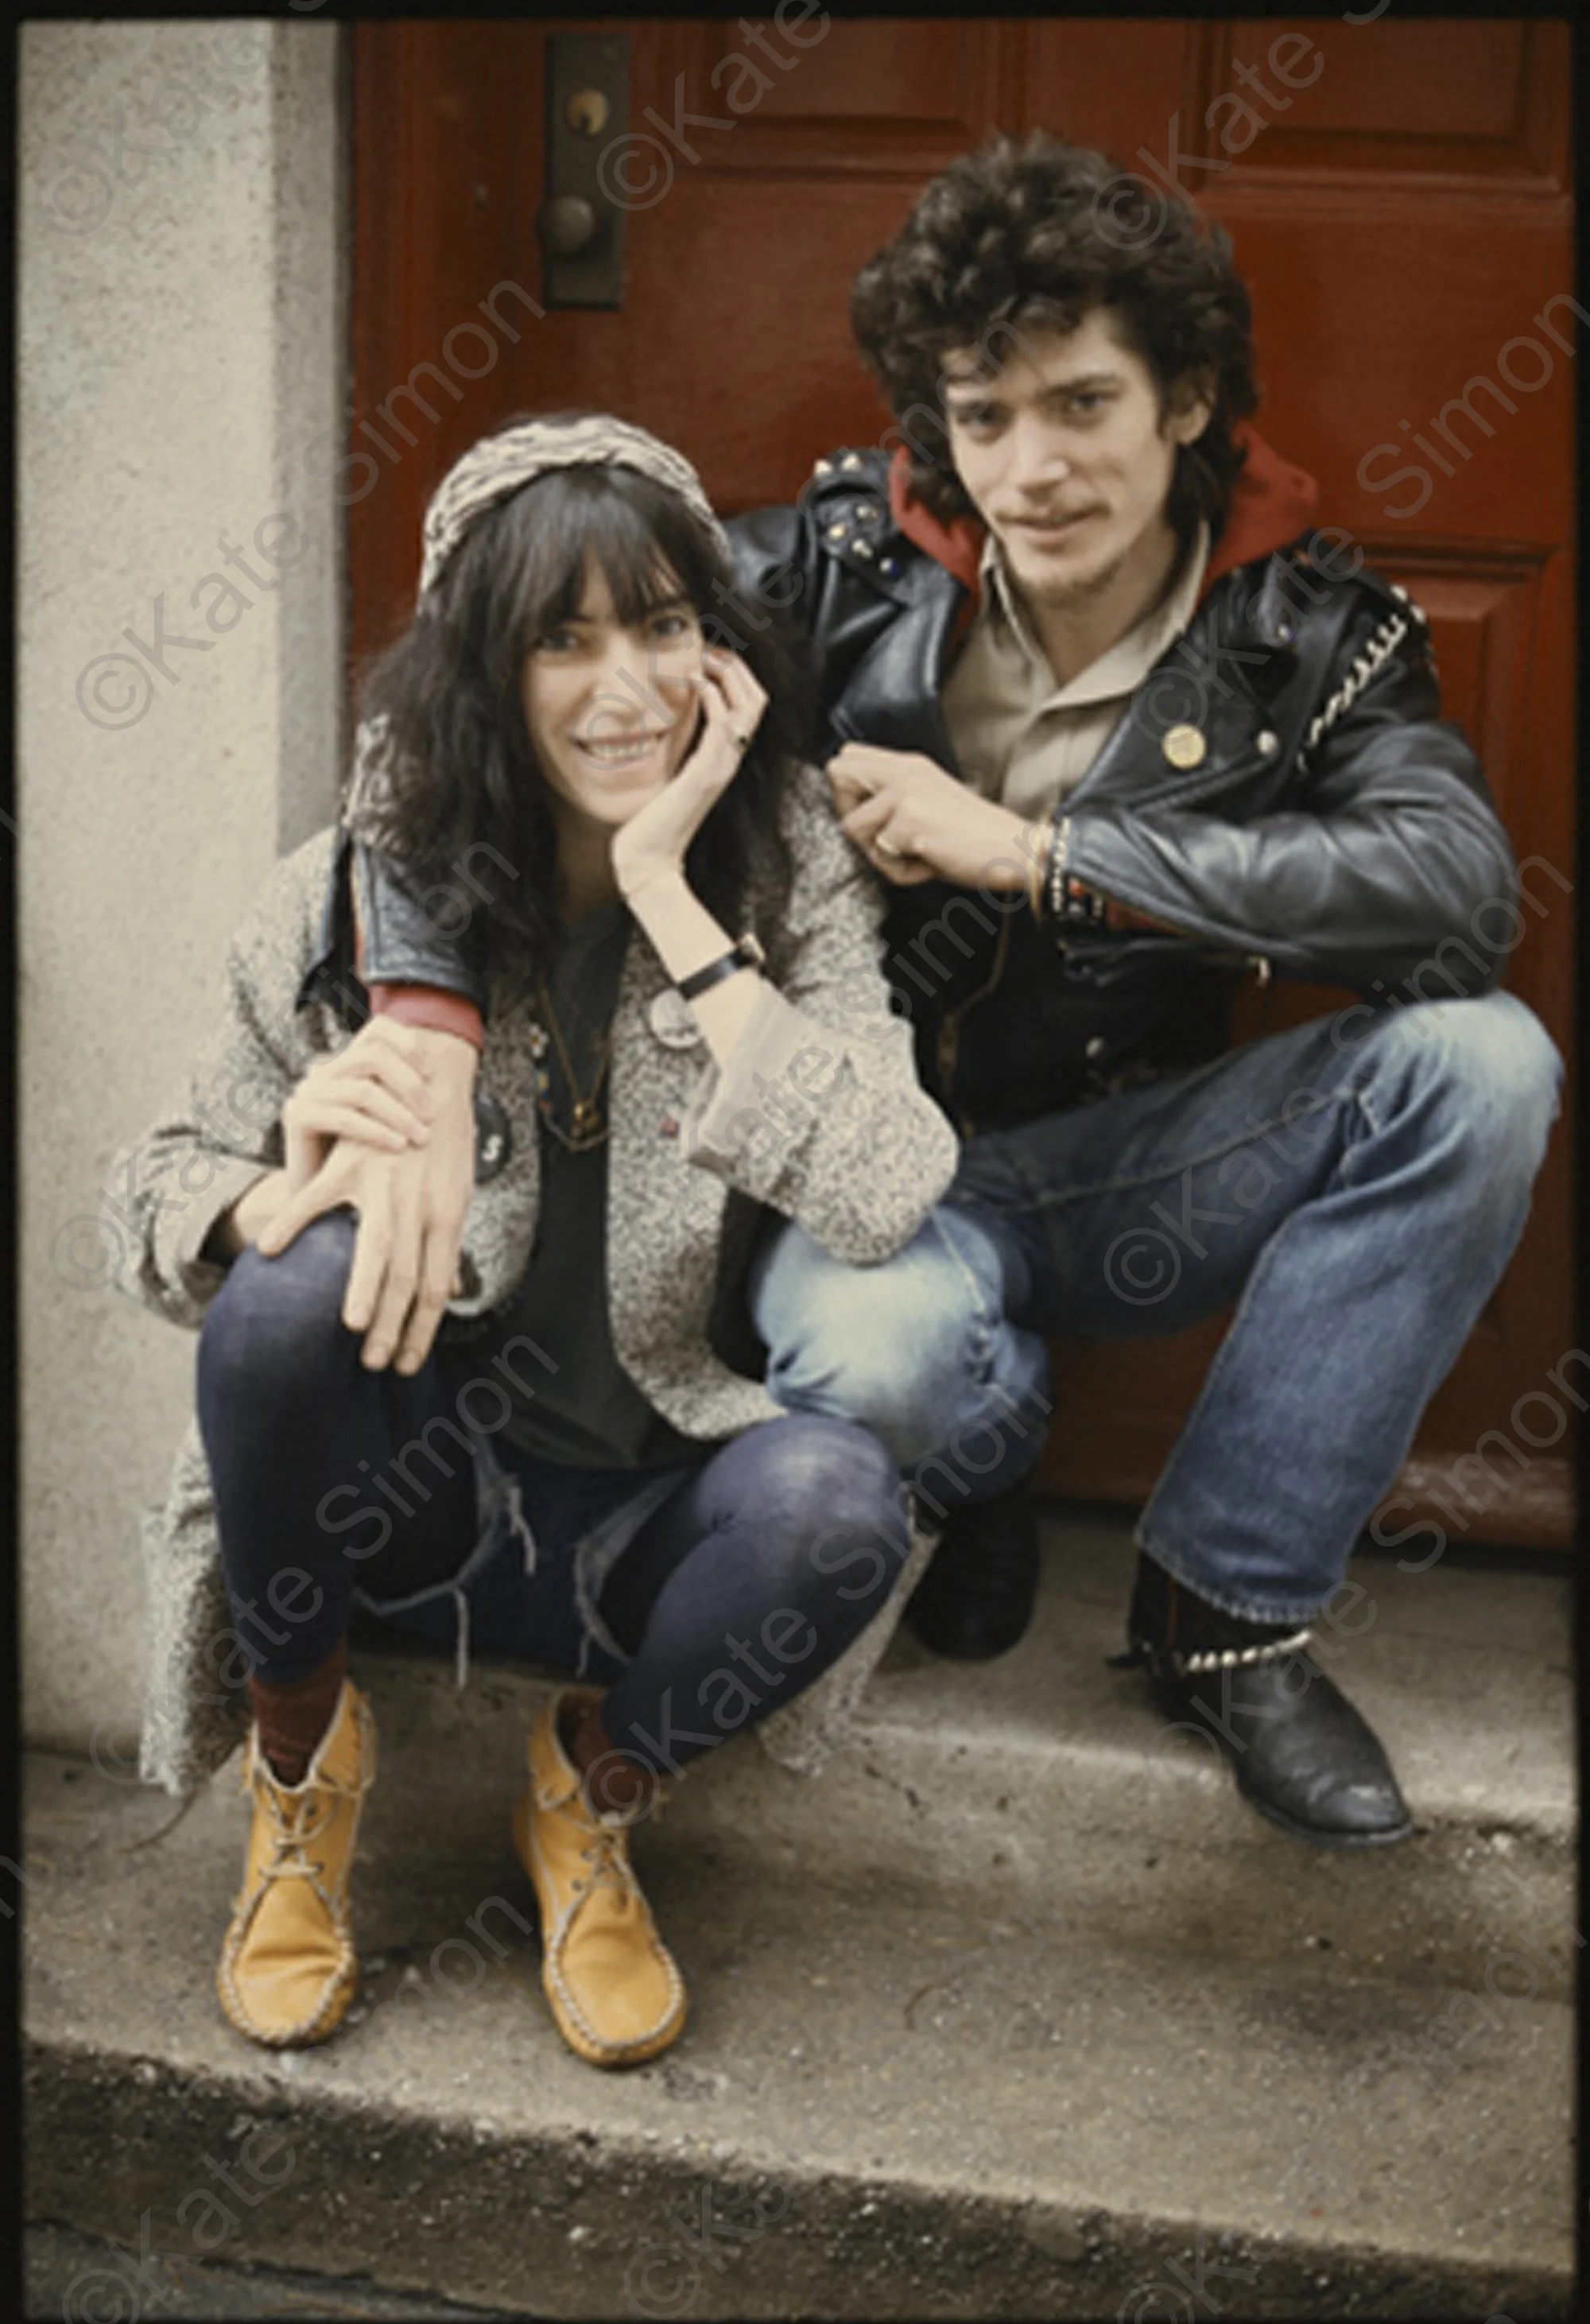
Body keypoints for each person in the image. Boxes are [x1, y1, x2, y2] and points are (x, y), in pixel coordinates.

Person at [351, 140, 1564, 1853]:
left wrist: (1033, 851)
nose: (1032, 468)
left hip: (1118, 1158)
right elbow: (445, 703)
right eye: (983, 417)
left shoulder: (1310, 632)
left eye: (1081, 405)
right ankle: (976, 1468)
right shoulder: (836, 568)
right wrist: (422, 1020)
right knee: (901, 1355)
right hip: (860, 1189)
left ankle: (1224, 1610)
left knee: (1482, 1065)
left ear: (1189, 398)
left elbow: (1453, 897)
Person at [110, 413, 987, 2068]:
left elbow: (885, 1185)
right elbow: (143, 1191)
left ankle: (588, 1800)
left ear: (719, 651)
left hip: (659, 1503)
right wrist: (261, 1195)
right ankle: (300, 1771)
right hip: (414, 1496)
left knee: (843, 1503)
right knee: (288, 1297)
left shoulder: (786, 865)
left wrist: (673, 898)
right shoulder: (351, 898)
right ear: (482, 675)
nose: (628, 689)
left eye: (665, 626)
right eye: (562, 640)